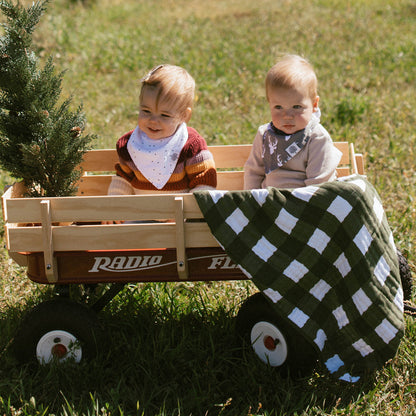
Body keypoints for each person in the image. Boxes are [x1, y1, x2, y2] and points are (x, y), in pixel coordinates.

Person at [107, 64, 217, 198]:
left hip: (181, 215)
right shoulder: (129, 145)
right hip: (141, 213)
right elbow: (123, 179)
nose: (153, 120)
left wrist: (191, 211)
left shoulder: (191, 145)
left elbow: (204, 183)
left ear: (184, 116)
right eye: (146, 111)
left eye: (164, 115)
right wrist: (115, 207)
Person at [244, 54, 342, 190]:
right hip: (269, 202)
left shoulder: (316, 138)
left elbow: (318, 184)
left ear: (314, 105)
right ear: (269, 104)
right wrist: (251, 203)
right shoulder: (265, 135)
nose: (287, 116)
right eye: (278, 107)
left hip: (305, 203)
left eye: (297, 107)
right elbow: (254, 172)